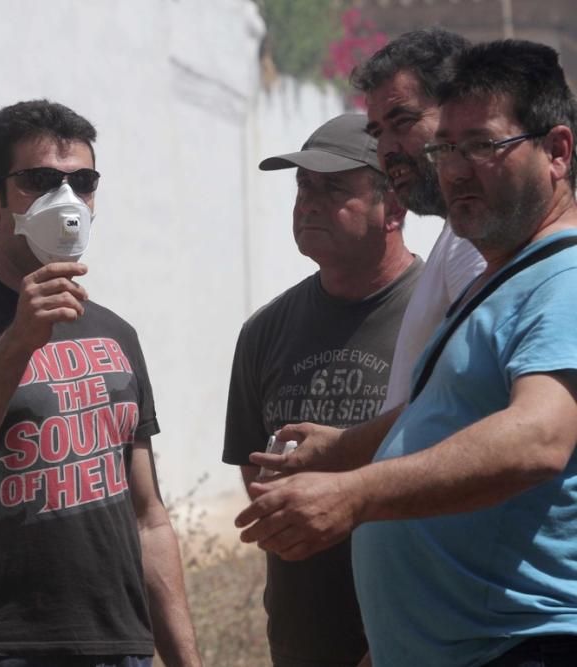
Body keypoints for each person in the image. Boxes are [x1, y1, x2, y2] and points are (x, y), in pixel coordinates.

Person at [237, 39, 577, 667]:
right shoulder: (499, 279)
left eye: (482, 146)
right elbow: (451, 416)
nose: (453, 169)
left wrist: (355, 491)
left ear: (556, 152)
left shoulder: (566, 277)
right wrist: (345, 449)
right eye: (446, 148)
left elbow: (538, 438)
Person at [0, 100, 200, 667]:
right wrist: (19, 338)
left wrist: (185, 661)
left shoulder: (117, 334)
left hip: (121, 648)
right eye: (40, 181)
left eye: (82, 181)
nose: (65, 200)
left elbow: (147, 517)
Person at [223, 113, 422, 667]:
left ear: (396, 206)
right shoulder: (265, 331)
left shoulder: (443, 314)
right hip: (302, 643)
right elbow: (254, 469)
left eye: (334, 186)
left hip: (418, 638)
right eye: (302, 186)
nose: (309, 201)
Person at [251, 28, 488, 481]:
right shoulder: (266, 329)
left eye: (402, 122)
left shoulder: (482, 247)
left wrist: (350, 494)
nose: (389, 150)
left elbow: (486, 423)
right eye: (380, 132)